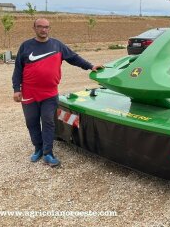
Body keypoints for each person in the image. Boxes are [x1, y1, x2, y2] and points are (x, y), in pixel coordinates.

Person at [12, 18, 104, 167]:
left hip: (49, 93)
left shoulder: (57, 45)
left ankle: (48, 153)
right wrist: (16, 89)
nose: (43, 30)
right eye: (40, 27)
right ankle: (38, 149)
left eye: (46, 27)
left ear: (49, 28)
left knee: (48, 122)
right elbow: (18, 69)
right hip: (29, 93)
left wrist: (90, 66)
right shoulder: (26, 46)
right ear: (34, 28)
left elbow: (74, 58)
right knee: (32, 122)